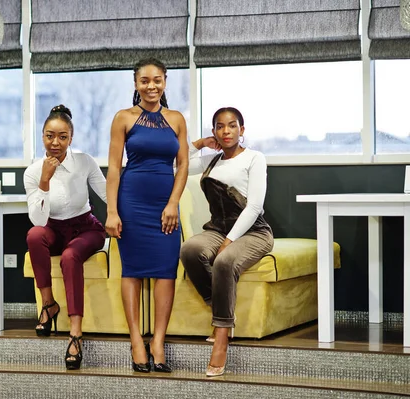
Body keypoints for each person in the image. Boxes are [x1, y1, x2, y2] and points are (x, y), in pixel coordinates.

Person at [106, 58, 189, 373]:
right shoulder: (123, 118)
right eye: (144, 81)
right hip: (131, 200)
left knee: (166, 271)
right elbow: (114, 168)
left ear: (165, 81)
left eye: (157, 80)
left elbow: (183, 165)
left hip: (164, 204)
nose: (151, 86)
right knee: (133, 270)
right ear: (136, 84)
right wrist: (112, 211)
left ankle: (157, 342)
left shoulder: (177, 119)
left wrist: (173, 203)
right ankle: (136, 342)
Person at [180, 107, 274, 377]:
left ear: (241, 130)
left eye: (232, 126)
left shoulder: (255, 158)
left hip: (253, 231)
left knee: (224, 260)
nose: (226, 131)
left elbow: (255, 206)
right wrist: (198, 144)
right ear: (214, 132)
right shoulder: (211, 162)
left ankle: (221, 336)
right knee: (190, 250)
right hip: (217, 228)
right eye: (220, 127)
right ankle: (219, 306)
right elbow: (178, 165)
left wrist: (230, 240)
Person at [23, 104, 107, 370]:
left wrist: (126, 217)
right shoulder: (33, 171)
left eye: (62, 136)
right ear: (42, 137)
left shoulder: (84, 161)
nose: (55, 142)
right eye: (49, 136)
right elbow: (38, 220)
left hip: (86, 228)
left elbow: (107, 195)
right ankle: (49, 305)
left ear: (72, 138)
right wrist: (44, 181)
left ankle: (75, 333)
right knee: (35, 235)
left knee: (71, 257)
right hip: (54, 228)